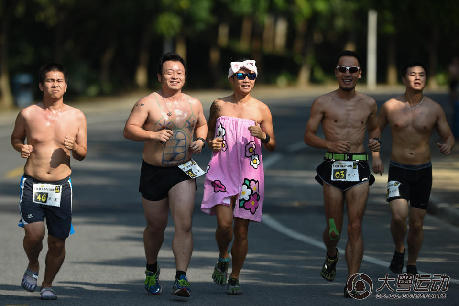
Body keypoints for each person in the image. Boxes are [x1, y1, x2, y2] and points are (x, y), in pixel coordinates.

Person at [123, 53, 207, 299]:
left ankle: (181, 277)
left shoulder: (194, 103)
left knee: (184, 223)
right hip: (153, 172)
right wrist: (152, 135)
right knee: (156, 226)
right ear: (160, 76)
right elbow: (129, 130)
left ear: (185, 76)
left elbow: (202, 124)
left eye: (179, 72)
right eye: (170, 72)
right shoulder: (147, 102)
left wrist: (201, 139)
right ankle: (152, 267)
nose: (175, 76)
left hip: (183, 170)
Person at [303, 50, 380, 298]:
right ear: (336, 72)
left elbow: (375, 129)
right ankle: (332, 252)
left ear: (359, 74)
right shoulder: (323, 102)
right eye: (343, 69)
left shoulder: (369, 103)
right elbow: (309, 135)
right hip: (333, 167)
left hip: (358, 167)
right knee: (334, 228)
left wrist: (375, 152)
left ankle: (352, 279)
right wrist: (329, 145)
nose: (347, 74)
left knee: (355, 226)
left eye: (352, 70)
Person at [11, 63, 87, 300]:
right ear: (41, 85)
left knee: (57, 241)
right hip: (32, 182)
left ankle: (47, 284)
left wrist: (74, 147)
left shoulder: (77, 116)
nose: (55, 85)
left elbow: (83, 153)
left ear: (66, 85)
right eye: (50, 81)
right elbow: (15, 138)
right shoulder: (28, 113)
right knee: (34, 235)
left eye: (59, 81)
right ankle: (33, 264)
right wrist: (20, 147)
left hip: (61, 186)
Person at [372, 62, 455, 275]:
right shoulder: (390, 106)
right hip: (398, 169)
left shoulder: (434, 109)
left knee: (417, 223)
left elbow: (448, 136)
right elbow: (376, 131)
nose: (417, 78)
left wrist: (448, 145)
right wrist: (376, 156)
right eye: (412, 74)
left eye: (422, 74)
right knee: (399, 216)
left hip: (423, 172)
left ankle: (411, 263)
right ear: (403, 79)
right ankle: (399, 249)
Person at [201, 59, 275, 295]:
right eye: (241, 76)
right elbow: (209, 131)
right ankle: (223, 255)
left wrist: (263, 135)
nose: (246, 80)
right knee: (225, 226)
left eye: (251, 76)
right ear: (231, 79)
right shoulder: (218, 104)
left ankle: (234, 276)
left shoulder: (262, 109)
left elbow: (272, 144)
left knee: (241, 230)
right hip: (221, 169)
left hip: (249, 174)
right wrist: (209, 142)